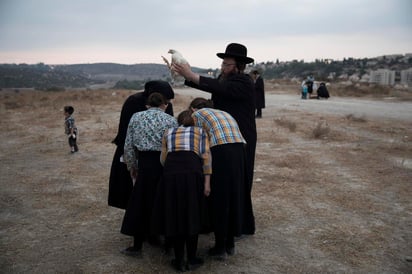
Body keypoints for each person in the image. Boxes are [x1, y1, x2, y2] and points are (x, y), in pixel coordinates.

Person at [172, 42, 256, 235]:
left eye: (226, 65)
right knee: (221, 180)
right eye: (222, 64)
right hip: (221, 138)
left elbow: (221, 88)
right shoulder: (224, 80)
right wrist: (187, 75)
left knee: (239, 181)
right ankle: (219, 222)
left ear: (238, 66)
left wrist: (191, 75)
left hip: (240, 137)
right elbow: (218, 87)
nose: (222, 68)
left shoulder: (244, 81)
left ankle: (240, 225)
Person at [120, 92, 178, 256]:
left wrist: (131, 165)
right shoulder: (171, 120)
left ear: (147, 105)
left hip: (144, 163)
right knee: (165, 202)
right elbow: (174, 145)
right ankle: (168, 244)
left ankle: (137, 246)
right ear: (164, 105)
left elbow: (128, 145)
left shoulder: (136, 117)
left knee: (140, 203)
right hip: (163, 163)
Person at [153, 110, 211, 272]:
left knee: (175, 215)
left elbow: (163, 158)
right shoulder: (200, 132)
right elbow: (205, 157)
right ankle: (191, 259)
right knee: (192, 213)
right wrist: (207, 182)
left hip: (171, 173)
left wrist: (172, 172)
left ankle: (179, 261)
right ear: (194, 122)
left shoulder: (169, 132)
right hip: (192, 173)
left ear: (178, 121)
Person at [188, 97, 246, 260]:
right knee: (233, 196)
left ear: (192, 108)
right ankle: (230, 243)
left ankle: (220, 247)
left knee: (220, 199)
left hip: (222, 151)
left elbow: (199, 142)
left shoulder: (197, 115)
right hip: (240, 151)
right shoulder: (223, 112)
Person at [108, 80, 174, 210]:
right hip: (134, 147)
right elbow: (126, 129)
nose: (166, 102)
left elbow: (169, 132)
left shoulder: (167, 104)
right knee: (130, 183)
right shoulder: (134, 101)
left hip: (158, 152)